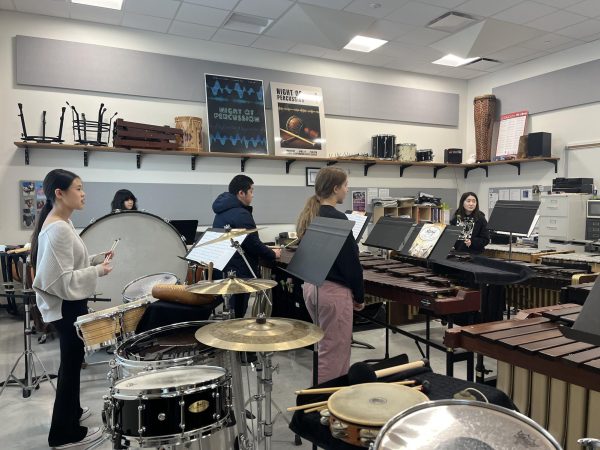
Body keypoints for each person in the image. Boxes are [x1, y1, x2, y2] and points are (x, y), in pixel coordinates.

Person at [31, 169, 113, 449]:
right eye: (78, 188)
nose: (83, 193)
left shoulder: (60, 223)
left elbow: (69, 265)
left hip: (68, 306)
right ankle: (63, 434)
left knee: (73, 363)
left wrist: (95, 260)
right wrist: (99, 271)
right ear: (59, 193)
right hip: (67, 307)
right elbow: (62, 280)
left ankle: (73, 412)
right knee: (69, 367)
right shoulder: (58, 229)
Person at [296, 167, 364, 383]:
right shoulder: (338, 219)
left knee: (326, 346)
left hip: (311, 287)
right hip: (332, 294)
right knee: (334, 351)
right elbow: (351, 265)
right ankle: (324, 403)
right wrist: (360, 296)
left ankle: (336, 396)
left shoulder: (313, 214)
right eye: (345, 185)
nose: (347, 189)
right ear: (336, 189)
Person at [212, 174, 280, 318]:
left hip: (225, 268)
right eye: (251, 191)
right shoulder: (241, 214)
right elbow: (253, 243)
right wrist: (273, 254)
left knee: (230, 309)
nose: (253, 195)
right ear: (241, 193)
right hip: (240, 270)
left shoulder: (221, 211)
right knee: (239, 313)